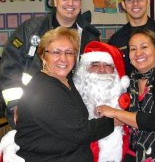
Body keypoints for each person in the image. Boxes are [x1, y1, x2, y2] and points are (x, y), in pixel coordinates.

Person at [0, 40, 155, 162]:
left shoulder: (127, 97)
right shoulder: (71, 95)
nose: (102, 70)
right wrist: (10, 144)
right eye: (95, 65)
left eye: (108, 66)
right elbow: (37, 126)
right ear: (84, 71)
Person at [0, 0, 100, 128]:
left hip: (76, 115)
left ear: (80, 3)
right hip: (32, 111)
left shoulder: (91, 37)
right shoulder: (30, 30)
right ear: (55, 1)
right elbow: (9, 70)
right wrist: (15, 104)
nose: (70, 3)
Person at [10, 27, 115, 162]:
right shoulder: (45, 90)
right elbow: (80, 132)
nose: (63, 59)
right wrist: (113, 121)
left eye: (69, 52)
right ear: (43, 56)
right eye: (56, 52)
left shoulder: (65, 80)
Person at [97, 29, 155, 161]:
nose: (138, 53)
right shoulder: (129, 81)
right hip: (135, 151)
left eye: (144, 47)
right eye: (133, 49)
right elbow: (124, 119)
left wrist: (114, 112)